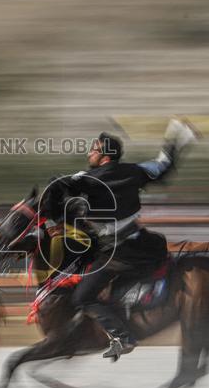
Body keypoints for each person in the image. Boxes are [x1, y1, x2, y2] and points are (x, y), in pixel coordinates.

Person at [39, 118, 198, 358]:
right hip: (143, 245)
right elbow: (163, 165)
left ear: (105, 156)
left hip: (117, 254)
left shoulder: (86, 179)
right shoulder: (136, 171)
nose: (89, 153)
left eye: (94, 149)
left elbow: (54, 185)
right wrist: (177, 140)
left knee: (83, 296)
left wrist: (53, 221)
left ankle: (123, 337)